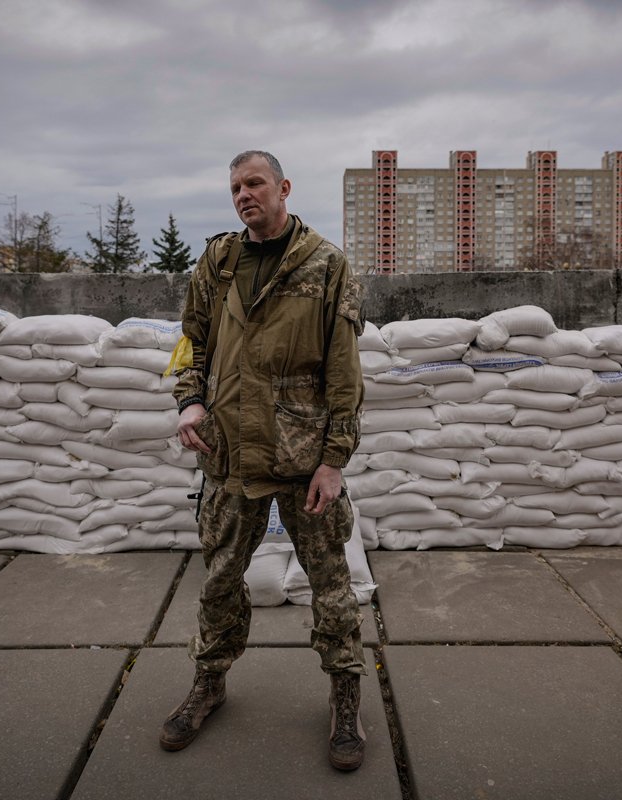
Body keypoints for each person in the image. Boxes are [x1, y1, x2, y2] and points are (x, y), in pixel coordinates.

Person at [162, 150, 368, 771]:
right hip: (228, 455)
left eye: (254, 183)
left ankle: (345, 697)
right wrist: (190, 401)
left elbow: (343, 371)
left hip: (303, 460)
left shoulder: (326, 265)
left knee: (331, 586)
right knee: (221, 580)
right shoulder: (217, 261)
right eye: (234, 187)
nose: (243, 195)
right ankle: (209, 683)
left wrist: (334, 460)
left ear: (283, 187)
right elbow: (190, 339)